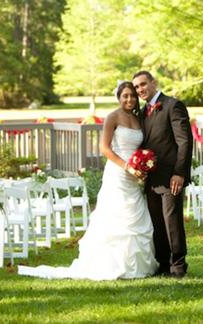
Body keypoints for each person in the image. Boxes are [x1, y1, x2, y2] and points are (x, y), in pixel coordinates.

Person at [18, 81, 158, 280]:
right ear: (118, 98)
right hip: (118, 174)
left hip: (134, 176)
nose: (129, 99)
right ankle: (112, 265)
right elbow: (105, 148)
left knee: (136, 214)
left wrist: (141, 166)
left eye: (132, 96)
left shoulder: (138, 118)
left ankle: (137, 266)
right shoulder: (113, 117)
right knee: (117, 215)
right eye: (125, 96)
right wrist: (127, 166)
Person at [132, 70, 193, 278]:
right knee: (157, 222)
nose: (140, 89)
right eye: (137, 87)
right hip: (151, 178)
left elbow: (184, 141)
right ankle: (164, 264)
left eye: (143, 84)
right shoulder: (141, 113)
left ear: (153, 82)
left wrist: (179, 173)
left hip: (171, 177)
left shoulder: (172, 106)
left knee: (172, 221)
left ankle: (178, 265)